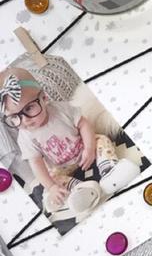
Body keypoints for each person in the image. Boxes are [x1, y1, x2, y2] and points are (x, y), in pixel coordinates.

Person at [0, 67, 119, 216]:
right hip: (61, 167)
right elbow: (36, 164)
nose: (25, 121)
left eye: (29, 108)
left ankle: (109, 169)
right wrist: (51, 187)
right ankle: (81, 190)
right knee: (51, 180)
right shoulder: (25, 137)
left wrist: (89, 148)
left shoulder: (61, 109)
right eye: (14, 117)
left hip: (82, 149)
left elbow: (83, 124)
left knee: (101, 139)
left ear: (44, 97)